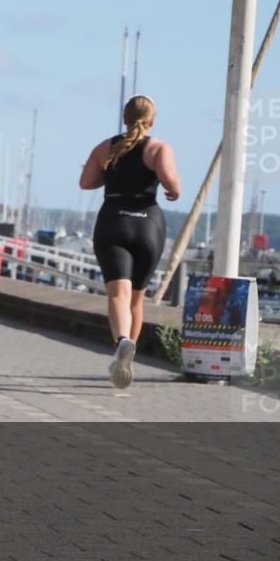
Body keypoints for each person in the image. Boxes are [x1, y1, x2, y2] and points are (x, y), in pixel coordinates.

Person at [79, 95, 180, 390]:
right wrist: (171, 189)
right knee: (136, 298)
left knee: (117, 295)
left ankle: (122, 341)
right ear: (152, 121)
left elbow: (86, 182)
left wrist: (111, 176)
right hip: (148, 224)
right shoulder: (159, 148)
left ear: (124, 118)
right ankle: (128, 354)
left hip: (113, 221)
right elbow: (171, 181)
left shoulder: (105, 147)